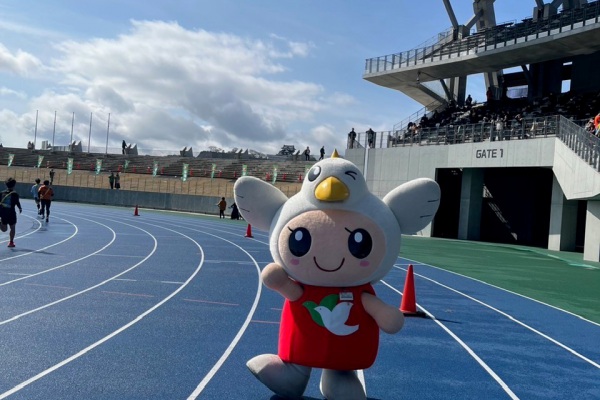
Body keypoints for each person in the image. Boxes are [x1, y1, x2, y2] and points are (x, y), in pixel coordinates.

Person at [0, 178, 23, 248]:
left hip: (4, 213)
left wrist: (19, 207)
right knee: (9, 229)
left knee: (9, 228)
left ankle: (11, 242)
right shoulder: (15, 194)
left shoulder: (1, 193)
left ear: (6, 185)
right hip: (10, 213)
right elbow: (17, 202)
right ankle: (11, 242)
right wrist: (20, 208)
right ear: (14, 185)